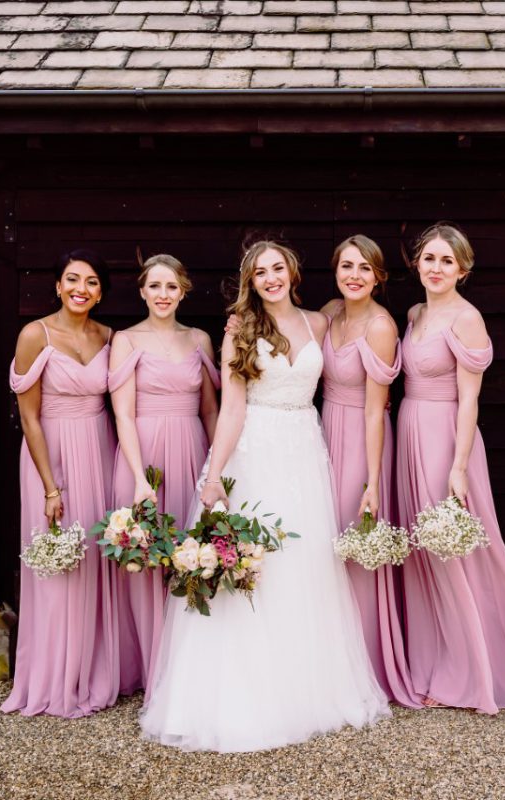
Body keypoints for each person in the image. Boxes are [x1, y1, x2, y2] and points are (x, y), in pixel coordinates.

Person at [140, 240, 390, 752]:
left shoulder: (319, 322)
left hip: (305, 450)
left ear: (293, 273)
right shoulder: (239, 332)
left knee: (304, 568)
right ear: (249, 282)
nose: (270, 278)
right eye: (260, 273)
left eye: (278, 269)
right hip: (256, 450)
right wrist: (214, 476)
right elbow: (231, 409)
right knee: (259, 566)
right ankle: (247, 693)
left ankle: (306, 687)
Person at [395, 222, 505, 718]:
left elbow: (470, 401)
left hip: (446, 437)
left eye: (447, 261)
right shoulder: (414, 312)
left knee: (458, 554)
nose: (436, 268)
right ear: (417, 264)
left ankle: (479, 674)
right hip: (409, 431)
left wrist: (459, 466)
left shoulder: (467, 320)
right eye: (429, 259)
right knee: (425, 553)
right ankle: (436, 665)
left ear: (463, 269)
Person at [2, 249, 118, 718]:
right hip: (50, 454)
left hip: (99, 448)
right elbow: (28, 417)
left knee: (92, 557)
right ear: (56, 285)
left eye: (91, 282)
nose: (81, 289)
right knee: (57, 560)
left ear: (101, 292)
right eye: (73, 279)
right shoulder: (35, 334)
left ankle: (94, 667)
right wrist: (51, 487)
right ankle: (52, 677)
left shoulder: (108, 335)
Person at [319, 235, 423, 709]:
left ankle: (364, 668)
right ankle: (326, 659)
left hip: (363, 440)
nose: (354, 275)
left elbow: (375, 410)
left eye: (364, 268)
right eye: (346, 266)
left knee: (355, 546)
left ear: (379, 277)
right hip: (323, 432)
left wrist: (373, 481)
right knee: (325, 545)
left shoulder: (380, 326)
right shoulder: (329, 313)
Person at [110, 254, 219, 698]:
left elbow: (211, 409)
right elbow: (123, 415)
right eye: (154, 286)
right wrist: (139, 478)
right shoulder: (126, 340)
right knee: (147, 556)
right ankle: (154, 672)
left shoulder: (200, 340)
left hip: (192, 451)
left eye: (171, 287)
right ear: (141, 291)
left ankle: (190, 670)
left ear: (183, 290)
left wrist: (218, 470)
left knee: (190, 556)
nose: (162, 295)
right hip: (145, 456)